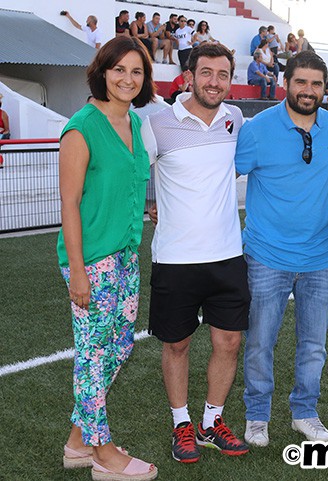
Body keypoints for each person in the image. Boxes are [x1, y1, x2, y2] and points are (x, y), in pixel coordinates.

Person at [141, 43, 250, 464]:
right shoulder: (157, 124)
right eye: (206, 73)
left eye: (223, 75)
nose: (214, 82)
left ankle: (212, 421)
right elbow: (135, 172)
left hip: (227, 255)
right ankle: (182, 423)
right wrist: (147, 207)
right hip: (175, 259)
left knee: (229, 342)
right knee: (178, 345)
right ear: (189, 75)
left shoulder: (235, 119)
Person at [57, 36, 157, 480]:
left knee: (119, 344)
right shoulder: (82, 126)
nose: (127, 79)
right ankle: (102, 450)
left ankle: (77, 441)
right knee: (93, 353)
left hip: (125, 255)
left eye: (136, 71)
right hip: (91, 259)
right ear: (103, 71)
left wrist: (144, 208)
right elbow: (70, 203)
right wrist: (78, 271)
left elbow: (128, 183)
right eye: (119, 70)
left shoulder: (134, 124)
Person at [234, 50, 328, 447]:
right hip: (266, 255)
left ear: (325, 87)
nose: (308, 90)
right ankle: (257, 415)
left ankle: (305, 412)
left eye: (317, 83)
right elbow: (219, 177)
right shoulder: (257, 129)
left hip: (321, 258)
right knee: (261, 341)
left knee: (314, 346)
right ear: (286, 83)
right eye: (301, 81)